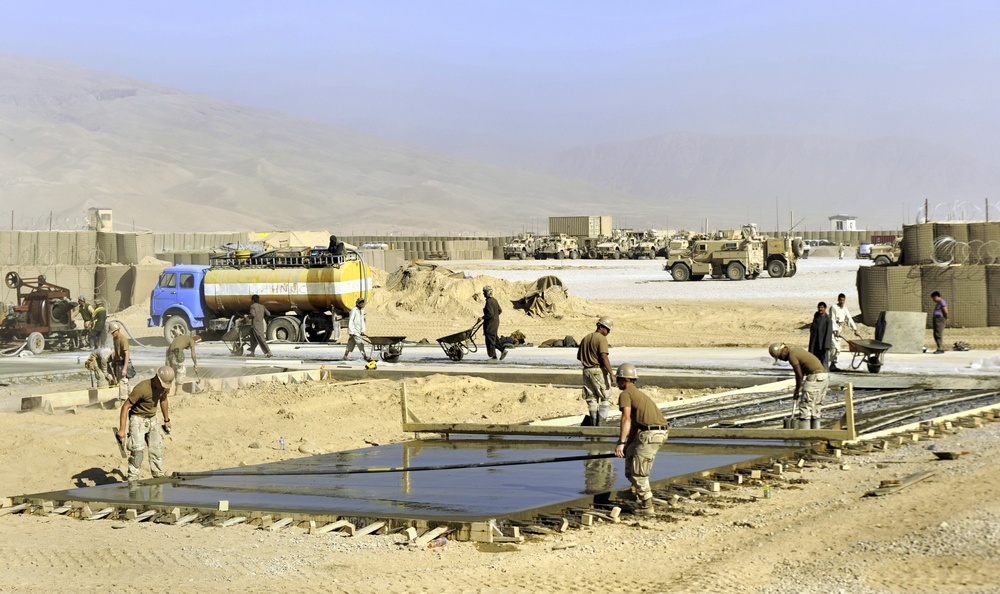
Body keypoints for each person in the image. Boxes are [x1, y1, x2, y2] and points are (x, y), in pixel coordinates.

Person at [613, 363, 668, 516]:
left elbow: (625, 420)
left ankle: (647, 505)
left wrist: (620, 442)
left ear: (624, 380)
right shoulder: (636, 394)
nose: (616, 382)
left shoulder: (626, 394)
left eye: (618, 379)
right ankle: (635, 491)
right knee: (630, 454)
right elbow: (635, 427)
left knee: (639, 473)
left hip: (651, 434)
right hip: (655, 433)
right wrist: (627, 445)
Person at [117, 366, 174, 482]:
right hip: (138, 419)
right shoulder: (142, 388)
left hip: (152, 418)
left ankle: (158, 475)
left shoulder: (163, 387)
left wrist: (166, 420)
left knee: (156, 450)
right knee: (137, 452)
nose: (163, 388)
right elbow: (125, 407)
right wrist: (122, 430)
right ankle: (133, 479)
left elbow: (163, 400)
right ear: (157, 378)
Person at [769, 343, 828, 429]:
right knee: (815, 407)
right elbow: (803, 371)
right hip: (823, 376)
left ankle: (805, 436)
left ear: (783, 353)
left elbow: (799, 375)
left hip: (814, 377)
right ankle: (815, 435)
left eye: (780, 357)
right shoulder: (796, 351)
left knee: (806, 406)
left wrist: (797, 390)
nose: (782, 360)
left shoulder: (791, 356)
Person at [576, 317, 614, 426]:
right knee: (606, 397)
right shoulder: (601, 339)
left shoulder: (586, 338)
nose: (608, 332)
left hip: (586, 371)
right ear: (601, 327)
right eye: (607, 330)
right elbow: (603, 356)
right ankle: (601, 425)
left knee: (591, 398)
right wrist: (611, 372)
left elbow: (579, 357)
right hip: (597, 370)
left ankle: (593, 425)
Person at [828, 293, 861, 372]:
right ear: (838, 300)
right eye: (840, 300)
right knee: (836, 348)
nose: (842, 301)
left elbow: (849, 319)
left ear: (845, 300)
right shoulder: (834, 308)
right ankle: (831, 364)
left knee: (836, 349)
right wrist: (835, 330)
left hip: (839, 331)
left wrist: (855, 329)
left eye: (843, 300)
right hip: (832, 331)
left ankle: (833, 364)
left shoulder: (845, 309)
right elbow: (832, 319)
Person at [478, 286, 503, 360]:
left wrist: (482, 318)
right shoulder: (494, 300)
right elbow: (500, 310)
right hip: (495, 322)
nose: (483, 294)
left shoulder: (489, 301)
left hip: (490, 324)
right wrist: (495, 317)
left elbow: (490, 314)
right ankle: (498, 352)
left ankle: (495, 355)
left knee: (490, 338)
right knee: (494, 337)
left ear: (488, 293)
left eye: (484, 292)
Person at [342, 297, 370, 361]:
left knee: (350, 344)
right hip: (354, 331)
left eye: (363, 303)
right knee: (360, 343)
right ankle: (365, 356)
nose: (362, 304)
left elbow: (362, 321)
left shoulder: (362, 310)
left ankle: (345, 356)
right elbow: (351, 320)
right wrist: (351, 331)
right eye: (361, 303)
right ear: (358, 304)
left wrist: (362, 330)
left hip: (358, 330)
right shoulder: (354, 310)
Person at [808, 301, 834, 370]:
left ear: (825, 308)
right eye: (819, 307)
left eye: (822, 307)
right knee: (813, 359)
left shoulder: (828, 319)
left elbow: (829, 333)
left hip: (823, 345)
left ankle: (825, 374)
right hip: (814, 343)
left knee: (824, 361)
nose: (820, 309)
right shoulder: (816, 316)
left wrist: (826, 345)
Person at [108, 321, 131, 396]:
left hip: (123, 363)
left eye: (113, 332)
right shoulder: (115, 339)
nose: (112, 334)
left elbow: (127, 354)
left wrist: (124, 368)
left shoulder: (123, 339)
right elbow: (116, 351)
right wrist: (114, 361)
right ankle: (127, 396)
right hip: (118, 363)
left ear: (117, 330)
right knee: (121, 381)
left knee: (123, 381)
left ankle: (123, 399)